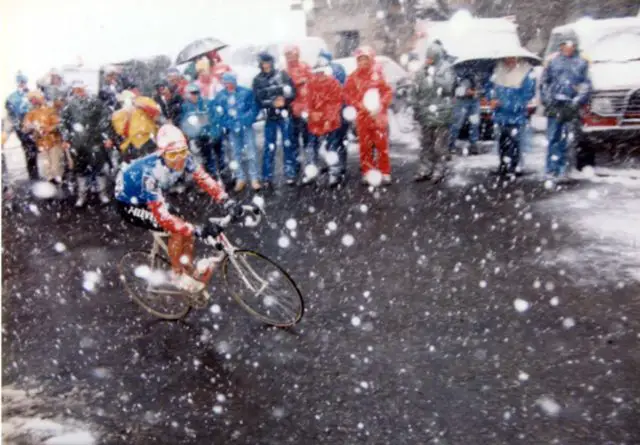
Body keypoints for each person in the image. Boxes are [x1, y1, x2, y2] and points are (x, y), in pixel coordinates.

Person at [114, 124, 233, 293]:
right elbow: (163, 217)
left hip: (147, 196)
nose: (179, 159)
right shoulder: (151, 173)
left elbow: (203, 178)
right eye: (172, 154)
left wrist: (225, 199)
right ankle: (177, 275)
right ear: (162, 153)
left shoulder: (186, 158)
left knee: (186, 230)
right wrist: (195, 230)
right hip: (130, 203)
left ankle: (186, 267)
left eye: (182, 152)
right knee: (179, 230)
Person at [541, 31, 591, 178]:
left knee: (568, 138)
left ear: (575, 46)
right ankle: (551, 168)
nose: (568, 48)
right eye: (565, 45)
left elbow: (586, 84)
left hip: (571, 105)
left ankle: (564, 168)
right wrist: (547, 99)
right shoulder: (552, 62)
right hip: (554, 104)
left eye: (571, 45)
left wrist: (577, 101)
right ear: (561, 46)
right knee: (553, 137)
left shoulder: (582, 63)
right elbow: (544, 82)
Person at [344, 46, 393, 185]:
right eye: (360, 59)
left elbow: (388, 92)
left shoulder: (378, 74)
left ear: (371, 59)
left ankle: (385, 172)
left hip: (378, 117)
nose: (363, 62)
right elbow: (347, 94)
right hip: (362, 117)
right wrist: (359, 105)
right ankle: (367, 172)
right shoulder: (353, 77)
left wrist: (380, 105)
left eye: (365, 59)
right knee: (365, 146)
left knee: (381, 145)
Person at [60, 80, 115, 207]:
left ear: (85, 88)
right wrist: (66, 139)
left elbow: (105, 120)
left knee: (99, 168)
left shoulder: (96, 102)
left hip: (95, 141)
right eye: (76, 90)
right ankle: (81, 196)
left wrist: (107, 137)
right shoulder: (69, 105)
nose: (79, 92)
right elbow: (63, 123)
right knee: (80, 170)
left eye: (81, 89)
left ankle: (102, 194)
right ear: (73, 91)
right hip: (78, 143)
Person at [411, 41, 455, 183]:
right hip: (425, 113)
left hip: (441, 113)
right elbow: (415, 90)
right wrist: (415, 106)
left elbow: (448, 87)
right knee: (426, 144)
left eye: (431, 57)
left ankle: (439, 170)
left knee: (440, 146)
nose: (428, 60)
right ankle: (425, 169)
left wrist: (434, 77)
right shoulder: (422, 70)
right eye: (427, 57)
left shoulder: (446, 68)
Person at [252, 51, 297, 187]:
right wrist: (271, 103)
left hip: (285, 114)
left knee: (288, 144)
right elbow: (258, 99)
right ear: (260, 64)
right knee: (269, 147)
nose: (266, 65)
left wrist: (285, 100)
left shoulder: (282, 75)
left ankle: (290, 174)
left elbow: (293, 92)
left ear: (272, 62)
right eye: (263, 62)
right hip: (270, 117)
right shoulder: (258, 80)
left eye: (268, 62)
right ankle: (267, 177)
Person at [488, 57, 537, 177]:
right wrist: (492, 98)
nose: (509, 61)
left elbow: (528, 94)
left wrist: (508, 103)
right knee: (503, 140)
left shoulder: (526, 71)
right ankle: (504, 165)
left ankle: (513, 166)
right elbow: (489, 87)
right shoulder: (498, 69)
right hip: (500, 113)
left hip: (516, 114)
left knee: (514, 141)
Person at [212, 73, 260, 192]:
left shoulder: (246, 92)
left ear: (235, 81)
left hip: (246, 127)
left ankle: (254, 178)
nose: (228, 85)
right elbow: (218, 113)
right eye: (226, 83)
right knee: (236, 154)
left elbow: (254, 108)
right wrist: (228, 123)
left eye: (230, 82)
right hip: (232, 130)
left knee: (251, 152)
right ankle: (240, 178)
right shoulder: (220, 96)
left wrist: (246, 120)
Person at [306, 65, 345, 186]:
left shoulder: (334, 84)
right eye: (317, 73)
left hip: (330, 122)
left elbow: (336, 103)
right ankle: (311, 171)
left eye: (322, 72)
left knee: (332, 147)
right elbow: (308, 102)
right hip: (315, 121)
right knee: (312, 147)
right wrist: (311, 114)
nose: (320, 75)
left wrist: (328, 118)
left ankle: (334, 173)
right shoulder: (311, 84)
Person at [21, 90, 67, 187]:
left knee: (56, 166)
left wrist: (48, 129)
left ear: (38, 98)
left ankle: (59, 185)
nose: (32, 102)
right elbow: (25, 128)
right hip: (41, 144)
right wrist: (28, 127)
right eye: (30, 100)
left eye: (33, 99)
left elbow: (58, 124)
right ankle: (52, 186)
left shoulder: (51, 109)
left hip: (54, 142)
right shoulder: (31, 112)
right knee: (47, 168)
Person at [180, 83, 225, 178]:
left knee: (220, 158)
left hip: (214, 134)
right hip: (201, 138)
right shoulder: (185, 107)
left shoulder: (208, 102)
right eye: (191, 93)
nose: (194, 95)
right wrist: (195, 133)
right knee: (207, 160)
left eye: (195, 93)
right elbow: (186, 123)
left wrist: (212, 132)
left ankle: (225, 176)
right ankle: (213, 179)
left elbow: (216, 118)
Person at [112, 91, 162, 163]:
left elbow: (156, 114)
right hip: (141, 142)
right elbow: (156, 113)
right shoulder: (119, 115)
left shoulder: (117, 115)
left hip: (138, 143)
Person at [5, 72, 38, 180]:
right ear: (17, 83)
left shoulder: (32, 94)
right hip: (21, 127)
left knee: (34, 149)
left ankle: (35, 172)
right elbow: (10, 112)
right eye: (20, 82)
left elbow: (38, 106)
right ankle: (33, 174)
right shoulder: (12, 97)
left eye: (23, 82)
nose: (22, 84)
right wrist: (18, 125)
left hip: (33, 125)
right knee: (28, 149)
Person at [284, 45, 313, 168]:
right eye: (288, 55)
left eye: (293, 54)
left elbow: (312, 84)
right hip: (292, 110)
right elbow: (285, 91)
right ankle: (296, 165)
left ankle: (310, 165)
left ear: (298, 54)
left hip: (306, 109)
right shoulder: (284, 71)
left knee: (308, 139)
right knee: (293, 139)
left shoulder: (305, 66)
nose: (291, 57)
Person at [449, 64, 481, 155]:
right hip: (462, 101)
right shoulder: (458, 68)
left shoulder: (479, 68)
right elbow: (453, 87)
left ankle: (473, 144)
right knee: (456, 123)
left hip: (474, 101)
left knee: (474, 123)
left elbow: (482, 87)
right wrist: (464, 91)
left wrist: (476, 92)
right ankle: (451, 144)